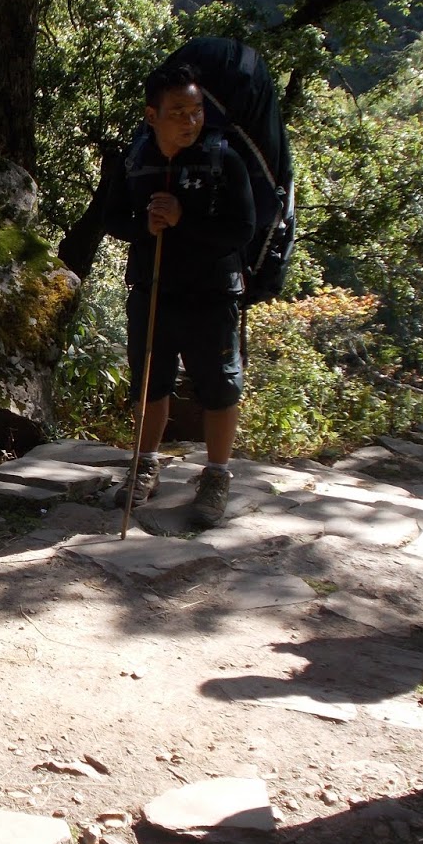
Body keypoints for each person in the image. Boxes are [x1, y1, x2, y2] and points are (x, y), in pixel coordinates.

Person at [105, 62, 256, 527]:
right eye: (178, 112)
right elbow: (111, 218)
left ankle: (216, 476)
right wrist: (144, 228)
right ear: (152, 115)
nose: (190, 121)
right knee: (150, 380)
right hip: (154, 287)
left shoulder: (223, 159)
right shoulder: (131, 160)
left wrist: (183, 221)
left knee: (218, 384)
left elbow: (243, 229)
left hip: (213, 291)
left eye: (196, 111)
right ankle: (145, 463)